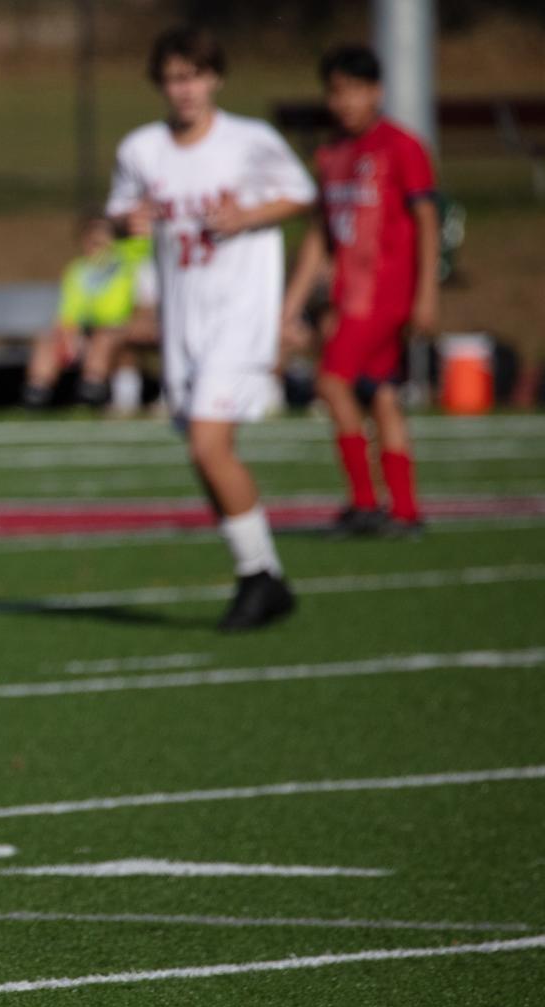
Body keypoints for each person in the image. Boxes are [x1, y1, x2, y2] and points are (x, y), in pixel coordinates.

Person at [108, 27, 316, 631]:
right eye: (174, 78)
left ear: (215, 79)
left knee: (208, 443)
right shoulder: (142, 148)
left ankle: (258, 577)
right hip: (184, 319)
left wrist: (249, 214)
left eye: (195, 76)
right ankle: (263, 577)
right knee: (204, 454)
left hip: (239, 313)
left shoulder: (249, 141)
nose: (185, 89)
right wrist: (128, 225)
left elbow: (302, 195)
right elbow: (121, 215)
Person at [281, 44, 440, 538]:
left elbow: (427, 220)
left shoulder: (401, 146)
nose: (345, 102)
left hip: (385, 292)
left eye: (355, 91)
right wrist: (291, 306)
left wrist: (427, 292)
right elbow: (320, 237)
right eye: (336, 92)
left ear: (377, 92)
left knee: (331, 383)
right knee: (383, 397)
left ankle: (366, 502)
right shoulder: (331, 153)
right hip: (349, 294)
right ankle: (406, 511)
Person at [23, 216, 145, 411]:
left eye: (101, 240)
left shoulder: (126, 261)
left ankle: (92, 389)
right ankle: (37, 392)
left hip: (122, 325)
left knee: (103, 338)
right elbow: (68, 310)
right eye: (90, 240)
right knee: (48, 341)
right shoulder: (76, 270)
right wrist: (68, 334)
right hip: (87, 328)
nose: (95, 246)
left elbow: (146, 243)